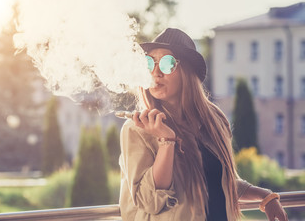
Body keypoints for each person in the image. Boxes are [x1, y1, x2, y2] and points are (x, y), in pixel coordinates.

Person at [118, 28, 288, 221]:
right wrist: (167, 141)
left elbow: (220, 182)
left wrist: (266, 196)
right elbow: (150, 202)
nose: (156, 72)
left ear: (188, 72)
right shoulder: (137, 129)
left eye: (167, 64)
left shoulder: (214, 120)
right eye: (150, 63)